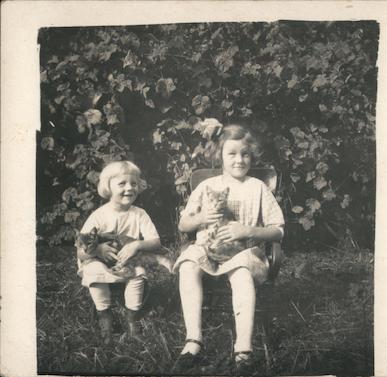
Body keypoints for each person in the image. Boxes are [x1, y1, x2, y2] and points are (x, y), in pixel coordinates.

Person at [171, 123, 285, 373]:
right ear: (219, 155)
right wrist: (201, 218)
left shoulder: (258, 188)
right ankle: (193, 340)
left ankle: (243, 349)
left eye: (245, 153)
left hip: (245, 252)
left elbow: (278, 230)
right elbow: (183, 224)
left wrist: (248, 230)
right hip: (207, 247)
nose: (239, 159)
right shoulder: (205, 187)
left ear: (251, 155)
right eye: (231, 153)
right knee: (189, 265)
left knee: (241, 272)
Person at [76, 161, 161, 343]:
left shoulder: (139, 214)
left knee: (138, 273)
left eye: (134, 183)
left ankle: (132, 318)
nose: (129, 188)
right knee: (94, 271)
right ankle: (104, 316)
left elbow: (156, 242)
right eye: (122, 184)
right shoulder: (99, 215)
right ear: (108, 187)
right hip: (98, 260)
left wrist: (137, 245)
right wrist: (98, 249)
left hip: (126, 261)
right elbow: (80, 253)